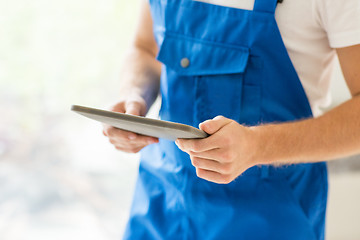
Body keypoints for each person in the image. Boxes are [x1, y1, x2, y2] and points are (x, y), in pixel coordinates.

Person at [103, 0, 360, 239]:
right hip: (161, 204)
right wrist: (134, 96)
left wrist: (256, 146)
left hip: (270, 217)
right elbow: (145, 47)